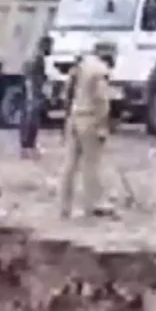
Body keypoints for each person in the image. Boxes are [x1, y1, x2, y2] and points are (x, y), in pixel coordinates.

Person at [59, 38, 117, 220]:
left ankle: (64, 206)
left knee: (69, 165)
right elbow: (101, 100)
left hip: (74, 118)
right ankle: (92, 205)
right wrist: (102, 126)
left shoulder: (81, 65)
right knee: (91, 165)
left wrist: (67, 115)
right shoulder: (100, 71)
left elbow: (67, 91)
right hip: (90, 120)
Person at [17, 34, 53, 158]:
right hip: (33, 93)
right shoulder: (37, 59)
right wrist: (33, 94)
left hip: (34, 92)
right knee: (31, 121)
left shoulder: (35, 56)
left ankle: (27, 147)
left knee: (30, 120)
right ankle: (27, 147)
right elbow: (31, 78)